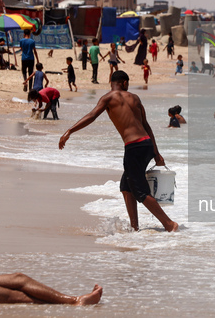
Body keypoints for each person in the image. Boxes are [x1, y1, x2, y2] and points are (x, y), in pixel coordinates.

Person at [58, 71, 178, 232]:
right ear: (123, 82)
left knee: (140, 192)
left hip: (134, 147)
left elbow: (92, 115)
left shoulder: (108, 97)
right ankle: (134, 228)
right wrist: (156, 153)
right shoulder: (135, 98)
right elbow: (146, 125)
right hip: (146, 145)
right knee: (126, 186)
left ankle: (169, 224)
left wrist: (69, 131)